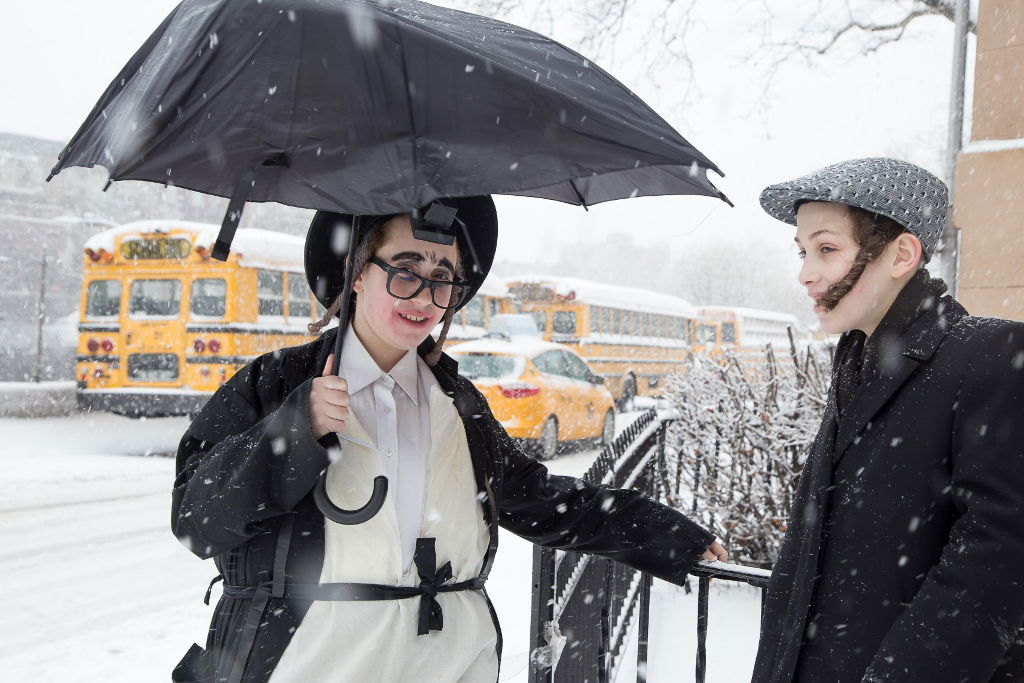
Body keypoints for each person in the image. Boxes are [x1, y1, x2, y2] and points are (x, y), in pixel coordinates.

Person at [171, 195, 726, 683]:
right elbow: (197, 521)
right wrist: (296, 429)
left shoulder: (458, 403)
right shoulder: (274, 385)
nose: (425, 297)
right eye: (405, 270)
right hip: (306, 664)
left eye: (443, 278)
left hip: (448, 664)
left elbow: (541, 501)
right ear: (355, 273)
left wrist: (666, 536)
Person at [751, 158, 1024, 682]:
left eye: (827, 249)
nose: (805, 274)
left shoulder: (989, 355)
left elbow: (996, 564)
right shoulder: (857, 360)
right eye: (803, 251)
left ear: (901, 254)